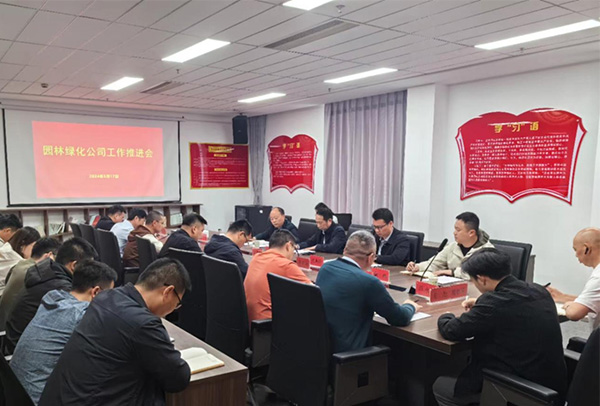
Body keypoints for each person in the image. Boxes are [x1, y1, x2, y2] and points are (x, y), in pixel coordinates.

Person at [38, 258, 192, 406]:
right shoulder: (143, 323)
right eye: (177, 303)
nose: (174, 309)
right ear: (168, 292)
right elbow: (178, 379)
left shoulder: (106, 297)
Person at [434, 248, 567, 406]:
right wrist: (480, 303)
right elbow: (513, 308)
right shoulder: (539, 290)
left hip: (515, 391)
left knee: (440, 386)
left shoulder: (493, 304)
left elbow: (451, 330)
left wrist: (446, 315)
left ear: (482, 279)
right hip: (551, 388)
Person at [11, 260, 117, 404]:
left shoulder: (53, 298)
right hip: (38, 399)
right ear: (96, 292)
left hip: (14, 392)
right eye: (109, 295)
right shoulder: (83, 315)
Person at [315, 230, 420, 352]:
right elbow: (399, 318)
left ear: (345, 250)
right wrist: (410, 306)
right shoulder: (369, 282)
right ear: (371, 258)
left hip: (323, 348)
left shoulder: (325, 268)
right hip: (351, 353)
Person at [5, 237, 98, 353]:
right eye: (88, 267)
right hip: (25, 350)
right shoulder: (60, 288)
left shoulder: (47, 271)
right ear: (74, 265)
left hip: (16, 342)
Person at [245, 230, 312, 321]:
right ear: (288, 246)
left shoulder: (256, 257)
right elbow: (314, 292)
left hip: (247, 319)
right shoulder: (286, 265)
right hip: (266, 322)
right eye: (294, 249)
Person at [406, 212, 493, 279]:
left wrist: (452, 272)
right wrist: (418, 267)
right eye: (455, 229)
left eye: (458, 230)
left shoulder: (487, 251)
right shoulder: (453, 246)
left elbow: (479, 275)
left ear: (471, 233)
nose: (454, 233)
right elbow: (435, 264)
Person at [0, 238, 61, 330]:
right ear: (49, 256)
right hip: (12, 330)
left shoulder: (20, 264)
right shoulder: (36, 274)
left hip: (6, 324)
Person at [547, 227, 600, 330]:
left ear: (586, 249)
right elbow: (593, 301)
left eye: (576, 250)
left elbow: (574, 314)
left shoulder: (598, 277)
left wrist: (569, 306)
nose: (576, 255)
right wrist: (563, 297)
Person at [0, 226, 41, 294]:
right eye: (34, 247)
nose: (35, 251)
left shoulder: (6, 248)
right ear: (23, 245)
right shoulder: (10, 257)